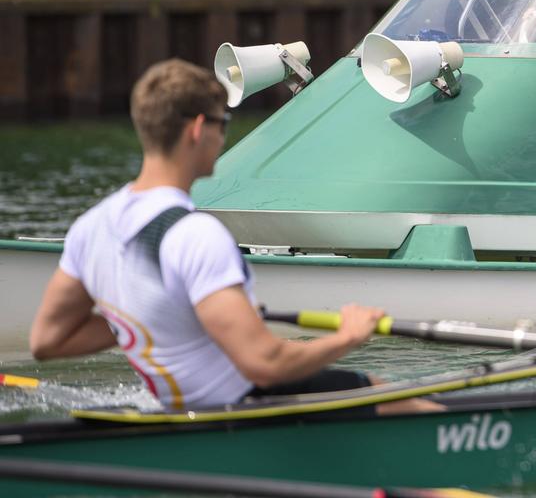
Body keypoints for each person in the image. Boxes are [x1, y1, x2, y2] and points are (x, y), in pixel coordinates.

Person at [28, 59, 419, 413]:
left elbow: (48, 340)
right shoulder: (196, 235)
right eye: (222, 124)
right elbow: (264, 366)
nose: (223, 137)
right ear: (198, 129)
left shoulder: (90, 228)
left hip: (180, 408)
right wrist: (348, 336)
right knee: (396, 400)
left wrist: (154, 316)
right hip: (246, 404)